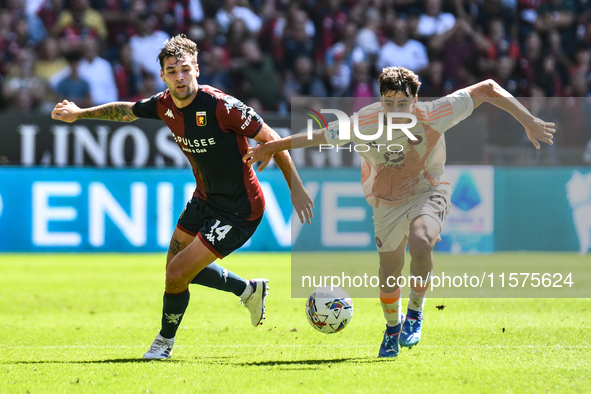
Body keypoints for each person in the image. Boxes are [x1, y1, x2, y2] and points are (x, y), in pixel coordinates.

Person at [243, 66, 555, 358]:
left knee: (420, 241)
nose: (395, 111)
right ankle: (393, 328)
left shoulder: (435, 113)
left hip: (428, 190)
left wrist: (527, 119)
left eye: (403, 104)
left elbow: (487, 88)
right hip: (386, 200)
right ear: (381, 101)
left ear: (415, 100)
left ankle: (415, 313)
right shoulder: (364, 123)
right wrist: (273, 146)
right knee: (390, 270)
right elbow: (317, 136)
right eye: (389, 104)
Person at [51, 34, 314, 360]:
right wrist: (80, 113)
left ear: (197, 70)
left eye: (185, 69)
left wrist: (296, 187)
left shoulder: (221, 106)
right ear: (163, 75)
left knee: (177, 273)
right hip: (204, 200)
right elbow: (125, 111)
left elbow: (271, 138)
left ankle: (164, 344)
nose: (179, 77)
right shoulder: (163, 104)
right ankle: (248, 290)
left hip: (239, 210)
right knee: (173, 274)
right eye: (172, 71)